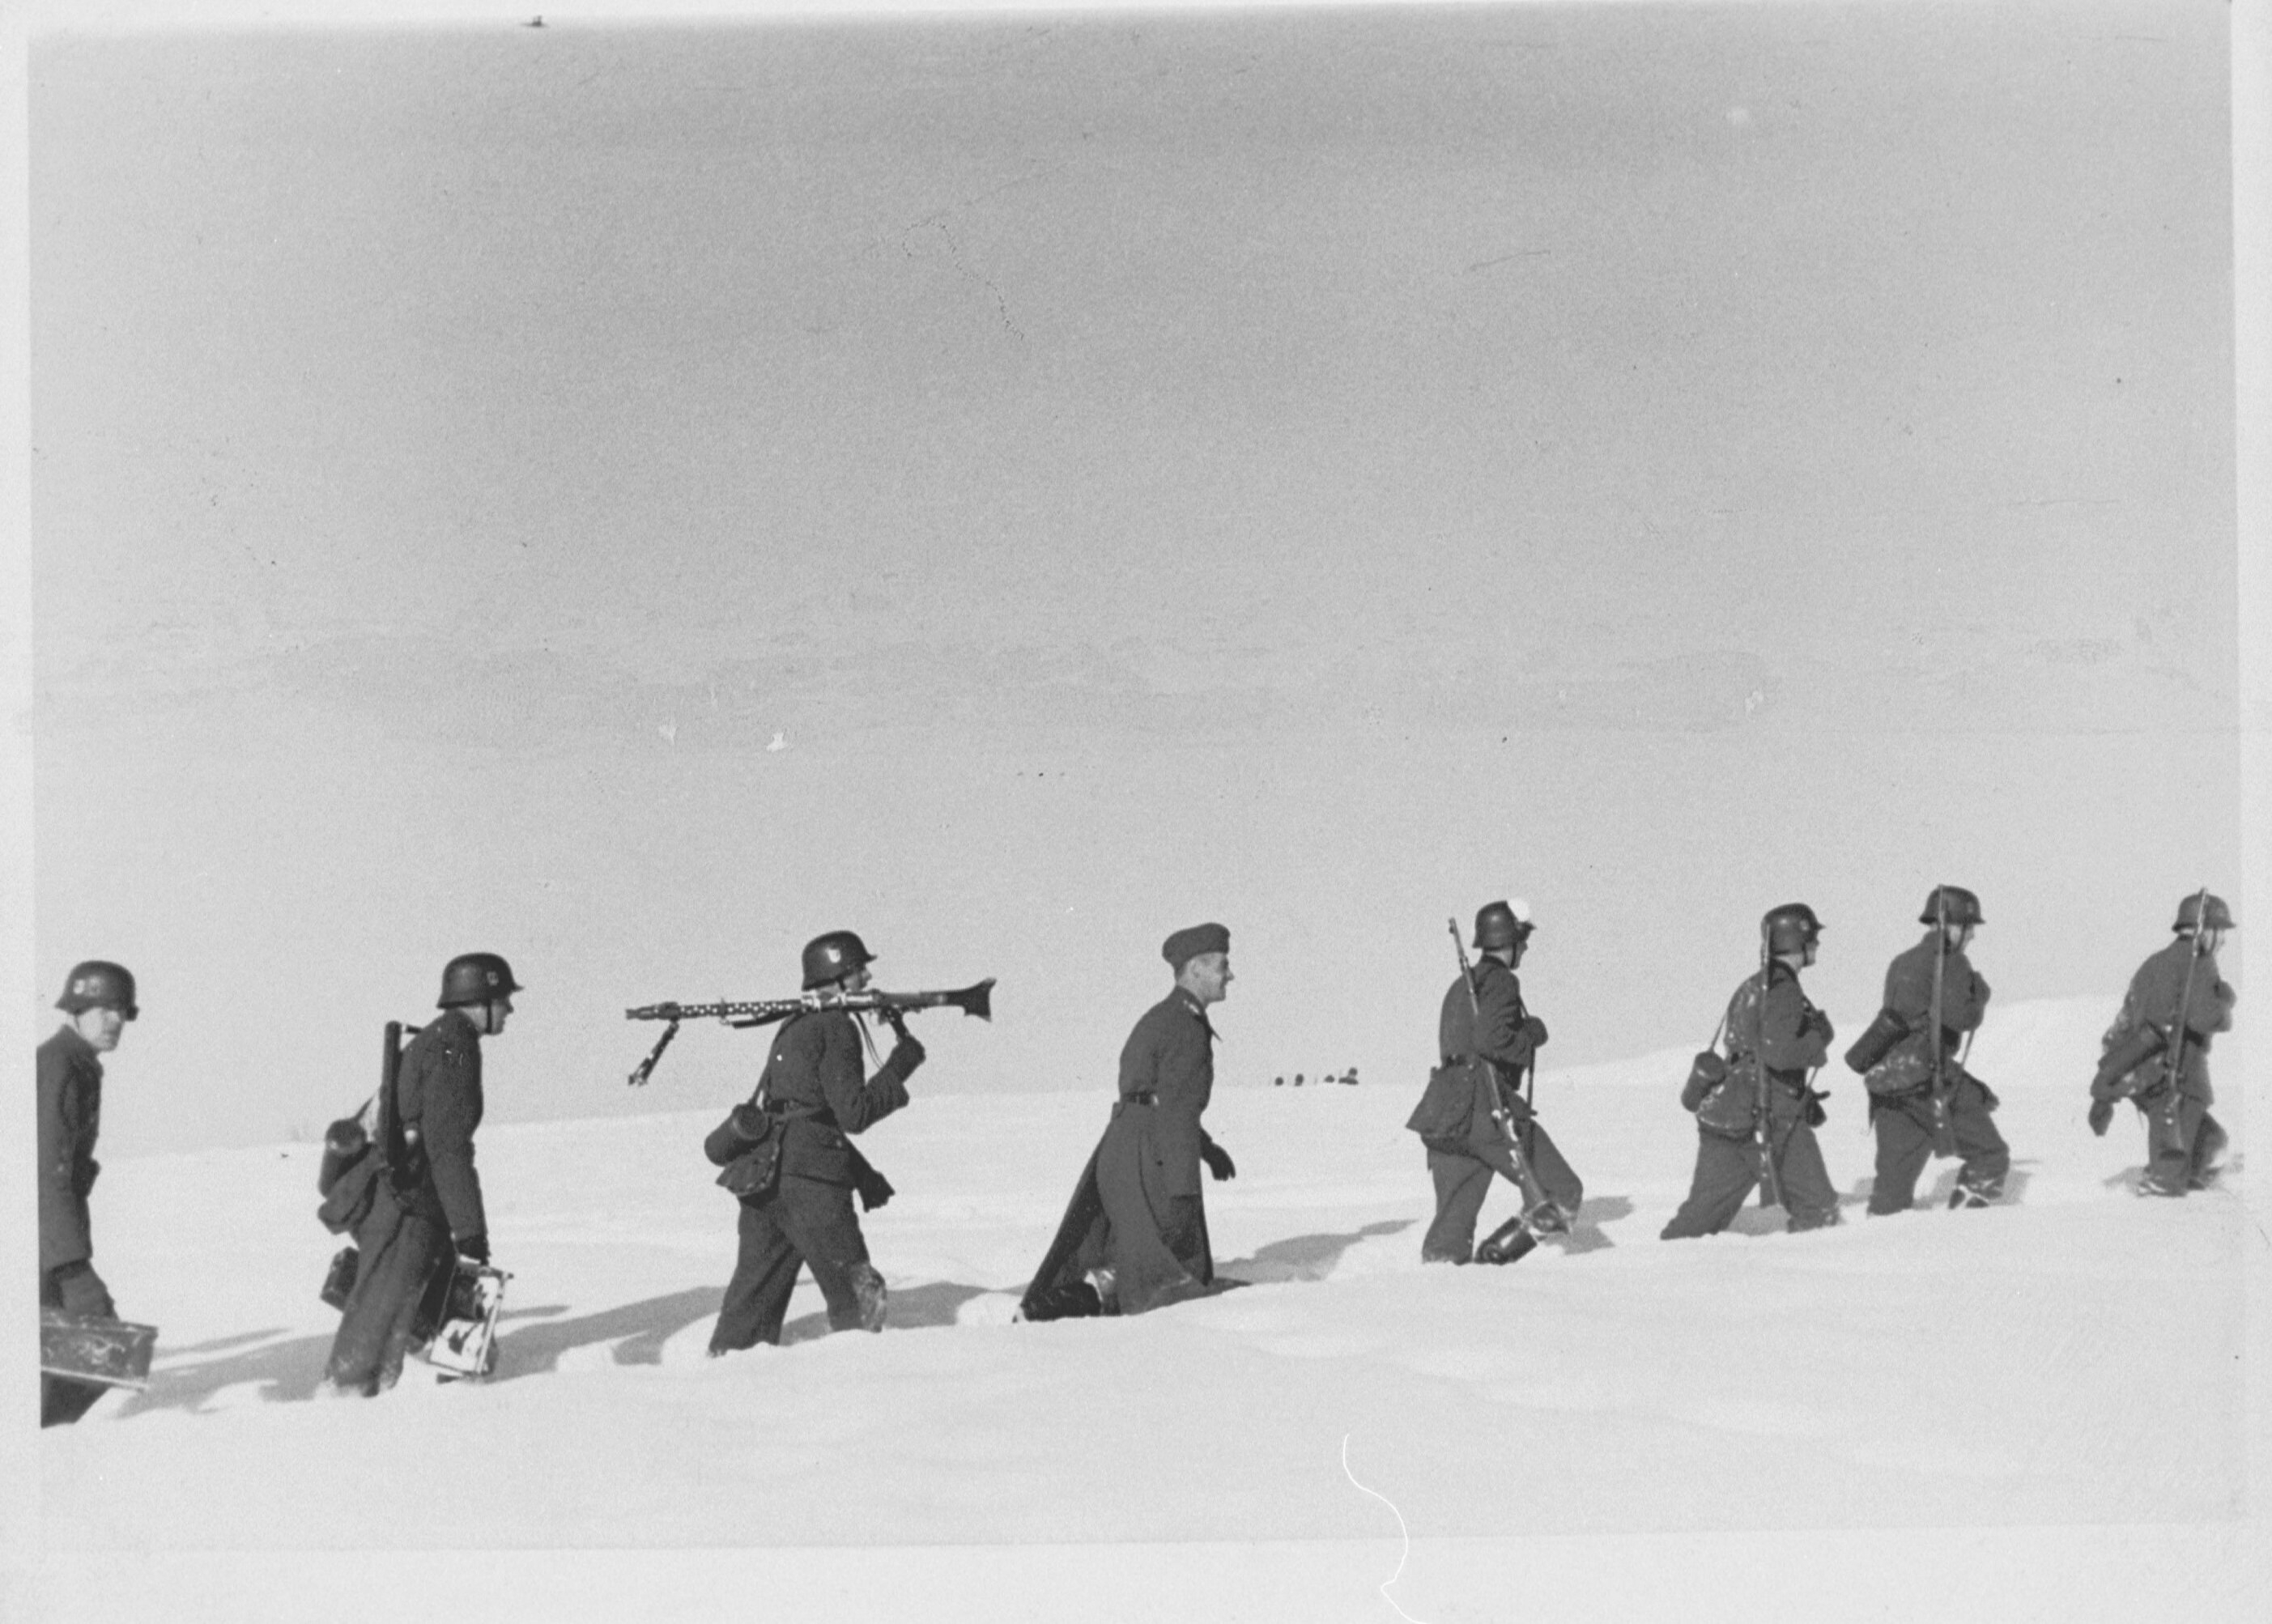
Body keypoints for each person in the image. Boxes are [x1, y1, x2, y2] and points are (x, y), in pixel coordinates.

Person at [708, 930, 923, 1353]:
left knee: (750, 1305)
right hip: (811, 1184)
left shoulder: (797, 1024)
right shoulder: (835, 1026)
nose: (867, 976)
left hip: (764, 1180)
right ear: (838, 976)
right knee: (861, 1295)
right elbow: (853, 1113)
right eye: (858, 969)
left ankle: (722, 1382)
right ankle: (862, 1384)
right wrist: (900, 1067)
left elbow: (809, 1115)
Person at [321, 951, 519, 1396]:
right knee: (372, 1339)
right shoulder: (455, 1048)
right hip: (406, 1210)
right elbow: (448, 1148)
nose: (510, 1009)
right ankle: (340, 1418)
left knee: (436, 1317)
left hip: (409, 1204)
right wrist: (471, 1232)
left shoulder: (438, 1040)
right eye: (503, 998)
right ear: (479, 999)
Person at [1019, 923, 1239, 1320]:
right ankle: (1057, 1309)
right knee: (1171, 1276)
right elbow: (1174, 1109)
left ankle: (1055, 1306)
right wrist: (1182, 1189)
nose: (1230, 975)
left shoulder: (1160, 1017)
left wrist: (1206, 1148)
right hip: (1157, 1155)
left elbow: (1153, 1096)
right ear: (1195, 969)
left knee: (1129, 1256)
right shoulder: (1186, 1027)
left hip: (1124, 1146)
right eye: (1223, 966)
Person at [1413, 900, 1581, 1266]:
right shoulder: (1503, 981)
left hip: (1446, 1115)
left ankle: (1438, 1294)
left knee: (1450, 1233)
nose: (1527, 948)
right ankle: (1493, 1260)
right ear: (1514, 939)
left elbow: (1461, 1044)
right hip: (1486, 1108)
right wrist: (1530, 1036)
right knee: (1562, 1193)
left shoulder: (1461, 986)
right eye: (1524, 940)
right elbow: (1493, 1041)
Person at [1661, 904, 1842, 1239]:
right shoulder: (1784, 990)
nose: (1816, 945)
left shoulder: (1755, 985)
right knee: (1818, 1211)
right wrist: (1819, 1037)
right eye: (1812, 938)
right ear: (1796, 942)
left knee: (1696, 1224)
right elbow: (1781, 1052)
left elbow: (1753, 1051)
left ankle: (1652, 1279)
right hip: (1771, 1118)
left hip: (1729, 1116)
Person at [1854, 886, 2010, 1213]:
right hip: (1927, 1078)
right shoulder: (1951, 961)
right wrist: (1979, 992)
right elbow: (1962, 1017)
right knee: (1990, 1155)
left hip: (1887, 1083)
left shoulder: (1901, 961)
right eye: (1969, 928)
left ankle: (1877, 1249)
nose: (1971, 937)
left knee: (1892, 1190)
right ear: (1952, 925)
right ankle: (1965, 1232)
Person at [38, 961, 138, 1426]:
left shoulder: (77, 1064)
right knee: (109, 1349)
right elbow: (46, 1170)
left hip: (47, 1239)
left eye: (122, 1011)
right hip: (47, 1244)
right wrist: (71, 1264)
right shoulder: (60, 1066)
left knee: (56, 1359)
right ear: (77, 1009)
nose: (115, 1021)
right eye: (104, 1009)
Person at [2091, 893, 2236, 1197]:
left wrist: (2107, 1088)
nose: (2222, 940)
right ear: (2203, 930)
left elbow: (2123, 1025)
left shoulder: (2153, 964)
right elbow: (2207, 1017)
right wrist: (2224, 999)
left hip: (2144, 1079)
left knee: (2212, 1145)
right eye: (2219, 931)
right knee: (2167, 1180)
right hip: (2178, 1083)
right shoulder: (2200, 962)